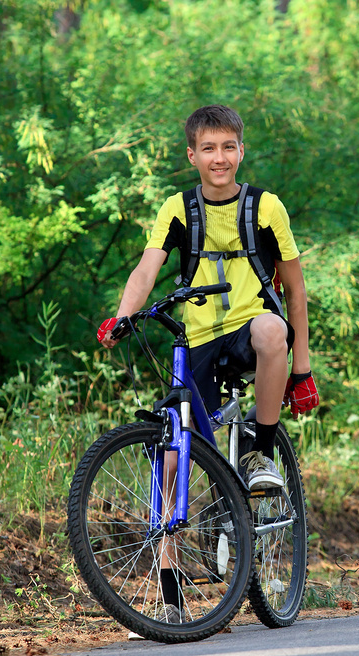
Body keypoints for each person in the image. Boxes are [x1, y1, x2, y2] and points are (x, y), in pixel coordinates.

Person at [97, 104, 318, 490]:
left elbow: (296, 292)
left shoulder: (266, 207)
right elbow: (146, 270)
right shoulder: (178, 208)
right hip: (197, 338)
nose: (220, 158)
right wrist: (121, 318)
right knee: (169, 454)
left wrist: (302, 369)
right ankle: (165, 548)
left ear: (242, 151)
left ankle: (260, 454)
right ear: (192, 155)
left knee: (270, 329)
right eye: (210, 148)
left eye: (229, 147)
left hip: (249, 330)